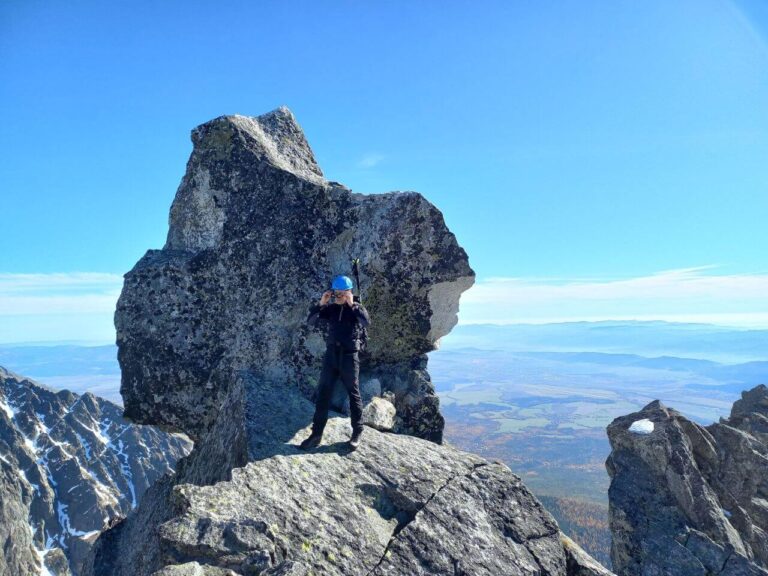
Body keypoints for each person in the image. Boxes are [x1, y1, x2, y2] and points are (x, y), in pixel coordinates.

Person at [300, 274, 371, 451]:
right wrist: (321, 303)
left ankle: (356, 433)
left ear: (349, 293)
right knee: (323, 393)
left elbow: (366, 322)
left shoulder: (356, 309)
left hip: (349, 356)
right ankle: (316, 434)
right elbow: (311, 322)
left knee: (353, 394)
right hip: (331, 355)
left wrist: (352, 304)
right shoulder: (330, 309)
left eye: (341, 293)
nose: (338, 297)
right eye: (336, 293)